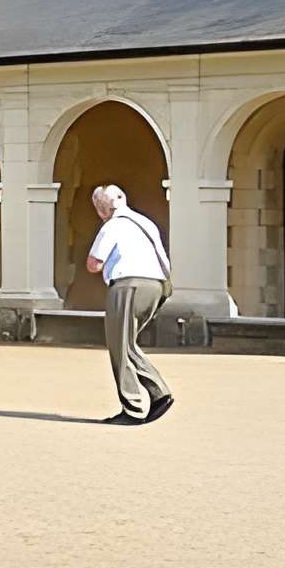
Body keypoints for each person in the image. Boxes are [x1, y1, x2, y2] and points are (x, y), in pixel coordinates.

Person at [84, 182, 175, 425]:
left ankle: (137, 405)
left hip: (128, 285)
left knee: (120, 346)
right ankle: (156, 395)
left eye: (101, 205)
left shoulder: (112, 226)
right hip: (156, 286)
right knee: (127, 344)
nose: (101, 210)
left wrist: (102, 264)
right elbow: (163, 259)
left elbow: (94, 263)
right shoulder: (146, 223)